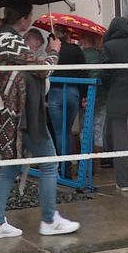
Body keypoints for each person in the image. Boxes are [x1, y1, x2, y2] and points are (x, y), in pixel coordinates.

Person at [0, 0, 80, 240]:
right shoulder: (12, 40)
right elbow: (42, 69)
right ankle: (49, 220)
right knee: (49, 162)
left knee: (10, 167)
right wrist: (54, 52)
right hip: (22, 113)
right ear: (24, 18)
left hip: (2, 112)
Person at [101, 17, 128, 192]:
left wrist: (110, 88)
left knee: (120, 142)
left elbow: (105, 74)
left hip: (117, 98)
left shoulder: (109, 47)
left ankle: (123, 183)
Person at [48, 26, 86, 178]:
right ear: (68, 35)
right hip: (72, 93)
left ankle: (61, 168)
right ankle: (68, 168)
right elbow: (83, 72)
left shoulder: (51, 53)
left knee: (58, 132)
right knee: (67, 131)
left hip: (55, 92)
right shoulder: (76, 50)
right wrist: (84, 95)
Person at [79, 33, 107, 172]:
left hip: (86, 94)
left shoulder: (81, 55)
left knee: (85, 127)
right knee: (98, 127)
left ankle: (85, 164)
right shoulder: (101, 55)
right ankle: (98, 164)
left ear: (84, 39)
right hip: (101, 94)